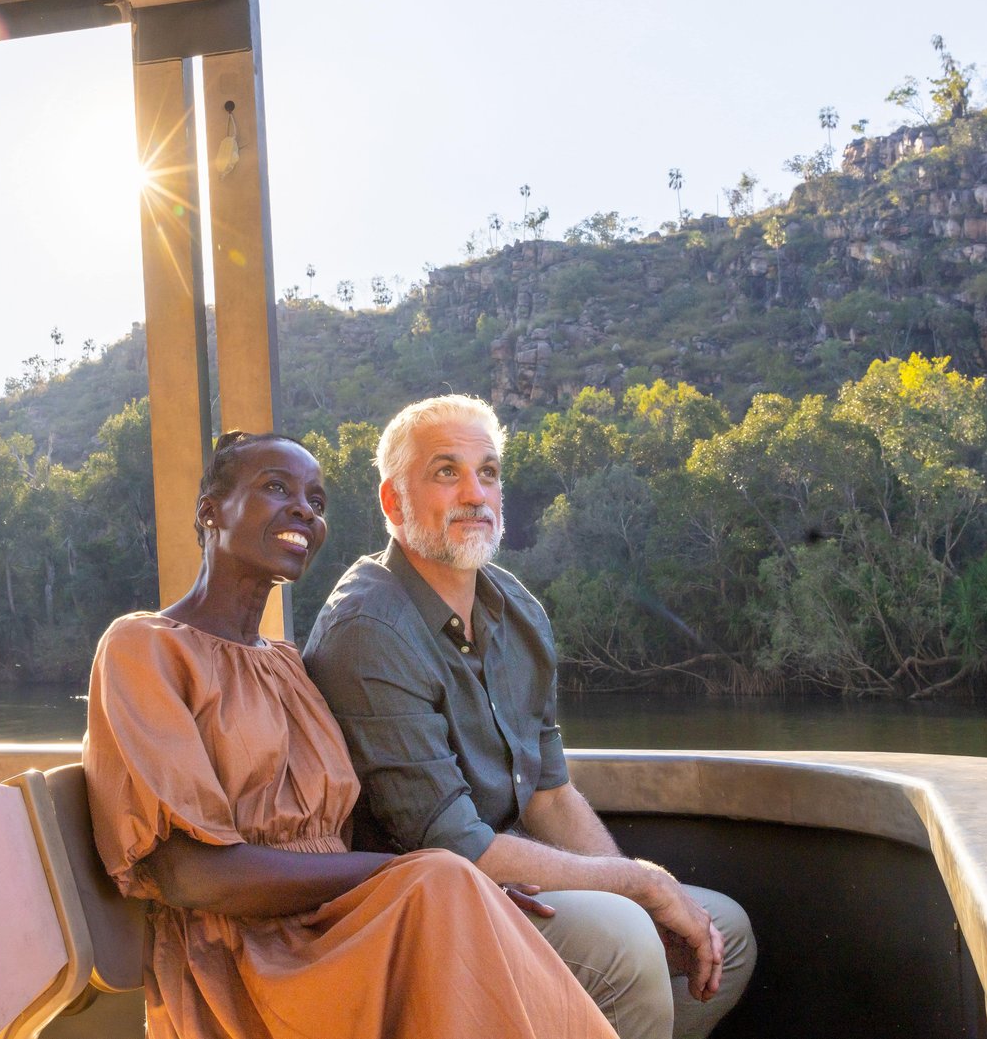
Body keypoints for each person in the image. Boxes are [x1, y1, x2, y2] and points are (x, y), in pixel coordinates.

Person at [82, 430, 615, 1039]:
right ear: (209, 511)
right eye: (277, 488)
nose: (304, 510)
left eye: (317, 499)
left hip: (338, 925)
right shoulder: (143, 649)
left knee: (466, 904)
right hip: (246, 958)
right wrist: (418, 875)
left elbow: (349, 836)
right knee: (451, 889)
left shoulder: (288, 666)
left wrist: (451, 882)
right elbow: (189, 874)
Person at [303, 396, 756, 1039]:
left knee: (723, 932)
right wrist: (637, 886)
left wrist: (638, 893)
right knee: (627, 944)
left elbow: (550, 795)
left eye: (487, 472)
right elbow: (452, 845)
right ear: (393, 502)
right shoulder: (368, 630)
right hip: (420, 910)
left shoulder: (516, 609)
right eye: (445, 472)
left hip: (507, 886)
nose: (474, 493)